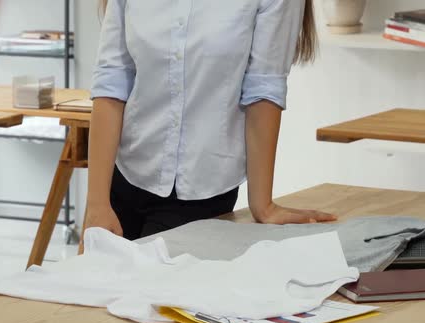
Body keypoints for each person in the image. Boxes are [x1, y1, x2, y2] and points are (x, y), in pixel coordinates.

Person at [83, 0, 338, 243]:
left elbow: (263, 89)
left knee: (150, 285)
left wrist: (263, 205)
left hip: (200, 192)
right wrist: (96, 204)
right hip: (123, 179)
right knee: (93, 285)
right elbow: (112, 79)